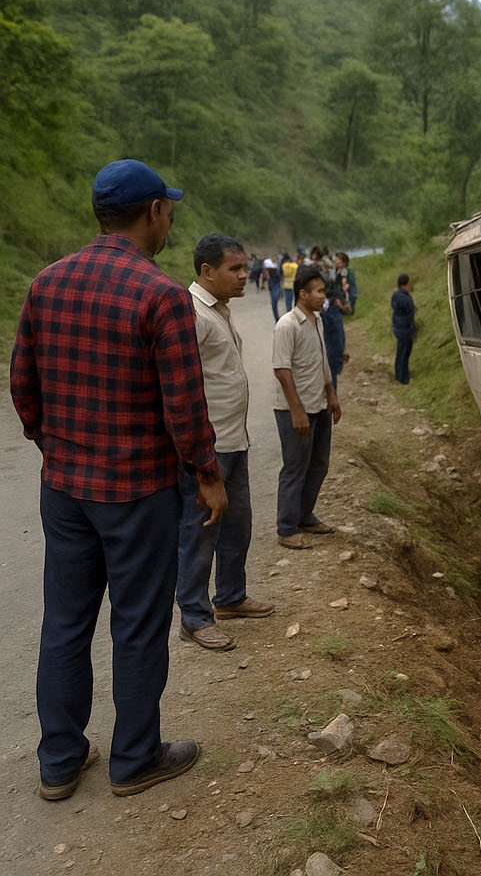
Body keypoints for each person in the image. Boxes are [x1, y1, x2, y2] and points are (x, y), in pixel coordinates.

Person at [9, 159, 224, 800]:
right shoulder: (160, 294)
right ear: (154, 211)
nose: (170, 221)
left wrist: (54, 446)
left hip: (64, 488)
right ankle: (134, 758)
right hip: (138, 491)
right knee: (137, 622)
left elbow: (23, 385)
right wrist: (208, 474)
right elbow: (184, 408)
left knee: (65, 622)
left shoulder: (47, 283)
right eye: (168, 210)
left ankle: (59, 761)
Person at [178, 234, 275, 652]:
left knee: (238, 525)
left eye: (245, 267)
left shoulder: (218, 309)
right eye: (234, 269)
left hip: (235, 440)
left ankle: (231, 597)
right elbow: (182, 388)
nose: (244, 275)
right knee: (201, 532)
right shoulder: (191, 313)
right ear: (206, 271)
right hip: (208, 447)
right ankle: (195, 617)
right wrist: (199, 455)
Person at [272, 265, 340, 550]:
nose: (323, 296)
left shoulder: (317, 320)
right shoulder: (286, 325)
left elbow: (321, 360)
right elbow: (282, 370)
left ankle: (304, 516)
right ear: (303, 294)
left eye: (323, 291)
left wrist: (331, 392)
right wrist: (297, 410)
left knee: (319, 464)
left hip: (319, 404)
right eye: (319, 291)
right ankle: (286, 528)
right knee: (295, 467)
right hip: (295, 410)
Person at [320, 268, 350, 392]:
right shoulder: (331, 307)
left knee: (330, 386)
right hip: (324, 355)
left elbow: (338, 331)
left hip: (329, 354)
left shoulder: (331, 307)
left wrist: (342, 349)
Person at [392, 273, 416, 385]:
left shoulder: (396, 295)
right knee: (404, 353)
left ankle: (399, 374)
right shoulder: (404, 298)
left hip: (398, 326)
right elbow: (410, 309)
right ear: (405, 284)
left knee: (400, 352)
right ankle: (403, 377)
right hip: (404, 328)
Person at [263, 253, 281, 320]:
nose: (275, 259)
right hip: (272, 281)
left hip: (277, 281)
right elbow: (265, 271)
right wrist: (266, 279)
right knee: (274, 301)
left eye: (276, 258)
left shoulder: (278, 265)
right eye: (274, 258)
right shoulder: (268, 262)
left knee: (275, 298)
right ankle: (276, 318)